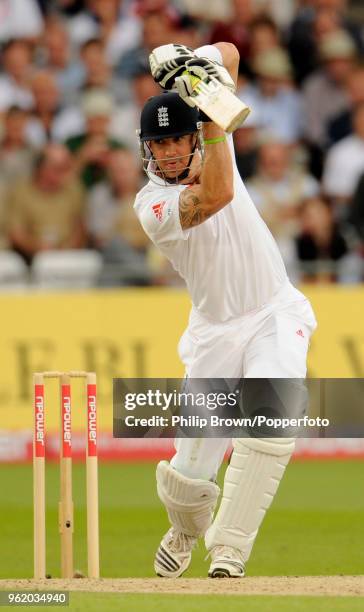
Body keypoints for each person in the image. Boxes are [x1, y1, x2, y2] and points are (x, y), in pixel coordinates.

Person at [134, 42, 317, 579]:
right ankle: (186, 528)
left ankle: (231, 550)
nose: (168, 153)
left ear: (192, 137)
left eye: (176, 140)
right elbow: (215, 197)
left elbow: (233, 54)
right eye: (158, 143)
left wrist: (186, 59)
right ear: (147, 149)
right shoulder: (152, 205)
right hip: (214, 332)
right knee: (189, 475)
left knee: (272, 414)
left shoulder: (214, 135)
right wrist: (215, 115)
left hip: (274, 311)